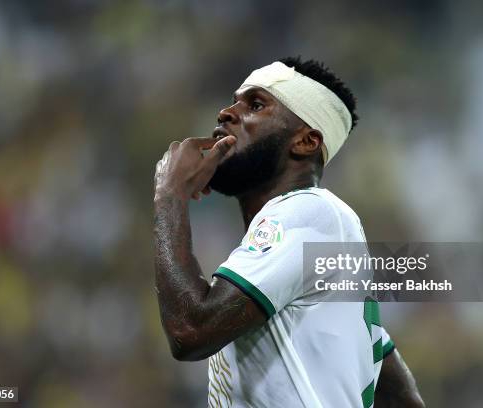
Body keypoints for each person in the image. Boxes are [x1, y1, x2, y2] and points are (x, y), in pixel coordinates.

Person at [154, 57, 425, 407]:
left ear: (306, 141)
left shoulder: (309, 213)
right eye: (234, 100)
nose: (226, 113)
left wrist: (169, 195)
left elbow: (190, 331)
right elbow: (400, 397)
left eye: (255, 105)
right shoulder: (314, 257)